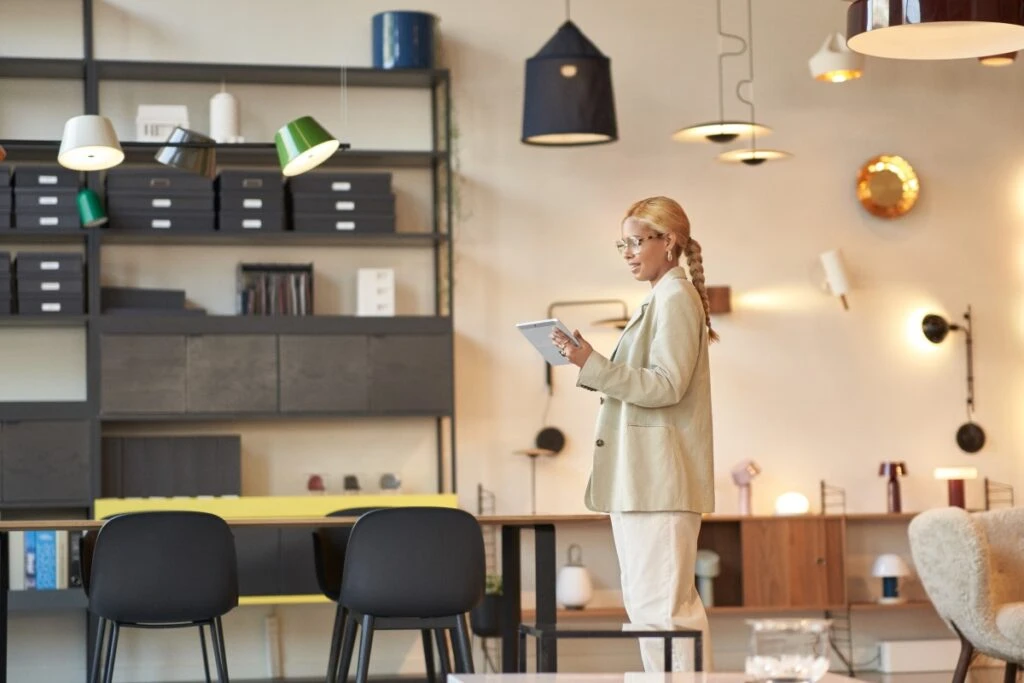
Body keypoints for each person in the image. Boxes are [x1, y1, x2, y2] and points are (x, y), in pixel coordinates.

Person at [550, 195, 717, 673]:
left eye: (636, 241)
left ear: (671, 243)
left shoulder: (676, 299)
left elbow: (665, 385)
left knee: (665, 611)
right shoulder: (660, 299)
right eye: (621, 243)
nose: (627, 252)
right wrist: (591, 363)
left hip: (660, 482)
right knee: (650, 609)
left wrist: (593, 365)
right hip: (642, 481)